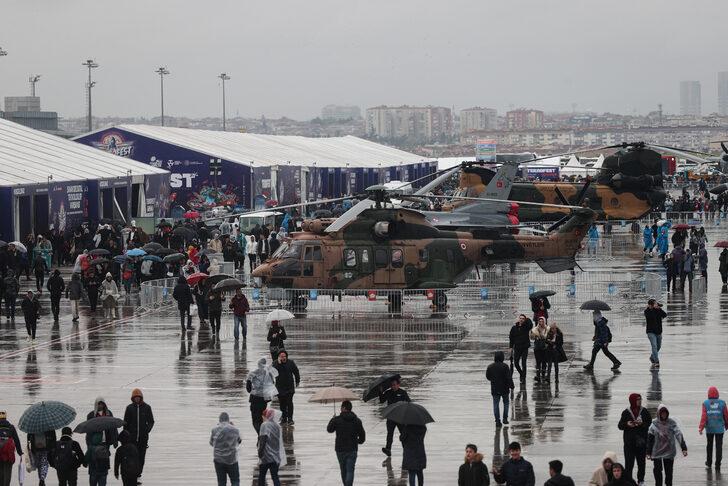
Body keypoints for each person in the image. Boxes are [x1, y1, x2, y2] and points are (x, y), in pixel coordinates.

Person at [327, 400, 366, 486]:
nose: (340, 409)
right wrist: (358, 441)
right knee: (350, 470)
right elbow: (362, 437)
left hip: (340, 450)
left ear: (344, 408)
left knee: (343, 470)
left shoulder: (337, 420)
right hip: (352, 449)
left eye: (341, 407)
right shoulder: (357, 420)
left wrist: (332, 419)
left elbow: (329, 430)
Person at [647, 404, 687, 486]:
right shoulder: (654, 424)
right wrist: (648, 452)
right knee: (657, 471)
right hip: (657, 451)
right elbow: (650, 439)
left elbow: (679, 435)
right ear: (659, 413)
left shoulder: (672, 423)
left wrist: (684, 448)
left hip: (669, 451)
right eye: (662, 413)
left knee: (669, 473)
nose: (664, 415)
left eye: (665, 413)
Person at [123, 388, 155, 483]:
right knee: (133, 457)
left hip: (143, 438)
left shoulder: (147, 407)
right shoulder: (129, 408)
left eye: (138, 397)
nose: (137, 399)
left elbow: (151, 421)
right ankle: (133, 474)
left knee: (141, 457)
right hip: (132, 438)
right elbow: (126, 423)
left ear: (141, 398)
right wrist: (126, 435)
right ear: (133, 398)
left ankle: (138, 474)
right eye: (135, 397)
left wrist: (146, 430)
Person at [618, 393, 651, 485]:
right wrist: (627, 424)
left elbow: (649, 424)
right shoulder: (626, 412)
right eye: (637, 399)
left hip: (641, 443)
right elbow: (620, 426)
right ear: (632, 401)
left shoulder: (644, 411)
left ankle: (641, 481)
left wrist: (642, 424)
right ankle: (628, 482)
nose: (640, 401)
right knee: (629, 465)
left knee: (641, 464)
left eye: (640, 399)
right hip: (629, 444)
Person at [246, 358, 279, 434]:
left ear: (258, 364)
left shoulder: (252, 373)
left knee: (255, 420)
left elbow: (248, 388)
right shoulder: (269, 374)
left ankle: (260, 434)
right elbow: (272, 385)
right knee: (262, 418)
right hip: (264, 400)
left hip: (254, 399)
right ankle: (262, 434)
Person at [379, 378, 411, 457]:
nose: (393, 386)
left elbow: (409, 402)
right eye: (392, 385)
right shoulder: (388, 392)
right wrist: (380, 392)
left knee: (403, 434)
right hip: (391, 416)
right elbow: (382, 400)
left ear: (398, 385)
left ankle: (406, 449)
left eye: (394, 385)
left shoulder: (402, 392)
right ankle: (388, 449)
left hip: (400, 417)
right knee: (390, 434)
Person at [699, 386, 728, 470]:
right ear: (717, 393)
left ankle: (709, 462)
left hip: (710, 429)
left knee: (709, 445)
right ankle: (718, 463)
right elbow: (726, 415)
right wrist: (727, 425)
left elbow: (704, 417)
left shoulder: (706, 403)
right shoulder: (722, 403)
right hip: (719, 429)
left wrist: (701, 428)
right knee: (719, 446)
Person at [210, 412, 241, 486]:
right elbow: (239, 441)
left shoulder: (214, 430)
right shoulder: (235, 429)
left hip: (218, 459)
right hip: (232, 459)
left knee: (221, 482)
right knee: (235, 480)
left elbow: (211, 443)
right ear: (228, 419)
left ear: (219, 419)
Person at [486, 351, 514, 427]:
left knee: (495, 404)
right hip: (504, 388)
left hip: (495, 388)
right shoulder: (505, 366)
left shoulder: (490, 366)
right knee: (506, 403)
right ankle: (505, 418)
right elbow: (509, 377)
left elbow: (488, 377)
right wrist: (512, 386)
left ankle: (497, 421)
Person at [257, 408, 284, 486]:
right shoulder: (277, 426)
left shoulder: (264, 425)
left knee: (262, 477)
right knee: (275, 477)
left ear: (266, 415)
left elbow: (262, 440)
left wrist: (260, 453)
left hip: (265, 456)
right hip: (275, 456)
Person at [273, 350, 300, 425]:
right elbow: (272, 373)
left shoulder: (290, 362)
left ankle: (290, 419)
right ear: (279, 357)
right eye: (282, 356)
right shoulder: (275, 363)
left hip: (289, 387)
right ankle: (284, 419)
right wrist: (278, 363)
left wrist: (297, 381)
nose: (283, 358)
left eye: (284, 356)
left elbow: (296, 372)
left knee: (289, 403)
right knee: (282, 404)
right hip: (280, 387)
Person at [0, 410, 24, 486]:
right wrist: (20, 452)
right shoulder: (11, 427)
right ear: (6, 417)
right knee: (7, 471)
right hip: (8, 454)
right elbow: (16, 440)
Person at [509, 315, 533, 383]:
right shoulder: (514, 328)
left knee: (523, 363)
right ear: (518, 319)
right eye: (520, 318)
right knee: (516, 363)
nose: (521, 320)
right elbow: (511, 338)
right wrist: (511, 347)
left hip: (525, 347)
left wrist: (527, 318)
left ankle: (523, 378)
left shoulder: (526, 327)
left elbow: (531, 324)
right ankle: (521, 374)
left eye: (523, 319)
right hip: (517, 347)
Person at [644, 299, 666, 370]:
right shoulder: (647, 311)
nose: (656, 305)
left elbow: (665, 315)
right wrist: (651, 309)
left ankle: (652, 357)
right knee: (654, 346)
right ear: (650, 305)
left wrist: (659, 309)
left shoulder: (658, 310)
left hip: (659, 331)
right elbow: (651, 317)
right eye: (654, 304)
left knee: (658, 346)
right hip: (650, 332)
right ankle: (656, 361)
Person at [530, 317, 549, 383]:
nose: (541, 323)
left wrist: (540, 332)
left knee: (544, 362)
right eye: (539, 321)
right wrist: (532, 334)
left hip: (544, 347)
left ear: (544, 321)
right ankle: (538, 376)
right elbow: (532, 338)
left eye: (542, 321)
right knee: (538, 362)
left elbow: (545, 337)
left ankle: (543, 376)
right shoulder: (535, 329)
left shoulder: (547, 328)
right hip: (537, 347)